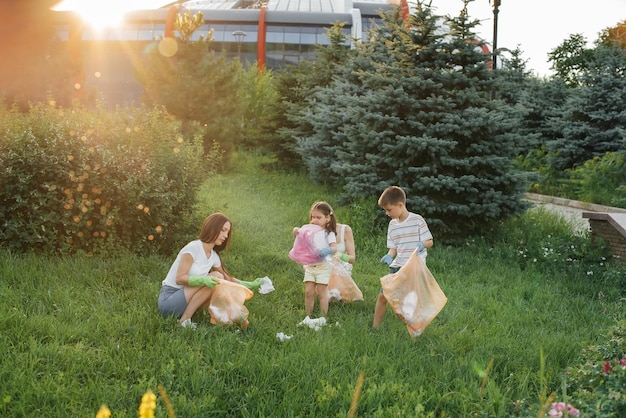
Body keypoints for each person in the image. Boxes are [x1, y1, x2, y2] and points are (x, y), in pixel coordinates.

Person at [157, 212, 263, 328]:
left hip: (185, 300)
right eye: (223, 230)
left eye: (227, 232)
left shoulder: (213, 256)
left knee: (218, 276)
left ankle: (205, 314)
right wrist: (204, 280)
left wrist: (249, 284)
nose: (226, 236)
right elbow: (179, 278)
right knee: (215, 277)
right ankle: (185, 319)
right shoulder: (193, 248)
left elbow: (227, 277)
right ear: (213, 228)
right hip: (169, 301)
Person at [372, 186, 434, 330]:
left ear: (400, 205)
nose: (387, 213)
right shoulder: (392, 225)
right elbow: (394, 247)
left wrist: (422, 244)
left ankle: (415, 327)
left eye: (389, 209)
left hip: (413, 267)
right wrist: (389, 255)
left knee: (406, 302)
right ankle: (375, 328)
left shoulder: (417, 220)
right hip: (397, 266)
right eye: (385, 210)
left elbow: (430, 241)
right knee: (383, 296)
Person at [292, 201, 338, 318]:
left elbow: (334, 247)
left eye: (319, 217)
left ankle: (323, 317)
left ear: (327, 218)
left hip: (323, 266)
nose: (315, 220)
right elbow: (300, 238)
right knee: (308, 292)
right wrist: (296, 231)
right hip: (310, 266)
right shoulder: (309, 231)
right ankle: (308, 315)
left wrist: (327, 250)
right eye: (313, 217)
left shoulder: (328, 233)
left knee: (322, 293)